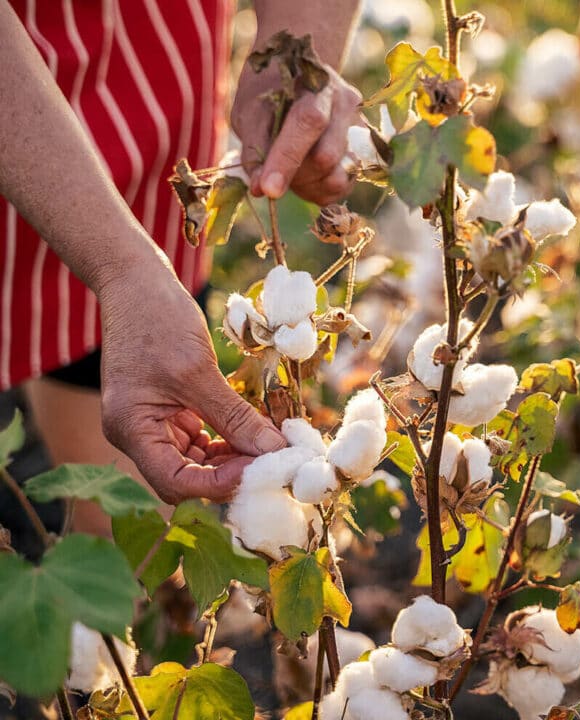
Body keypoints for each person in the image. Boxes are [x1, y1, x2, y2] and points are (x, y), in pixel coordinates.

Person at [0, 0, 362, 534]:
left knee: (136, 540)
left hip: (157, 44)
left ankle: (134, 604)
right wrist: (124, 272)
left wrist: (299, 49)